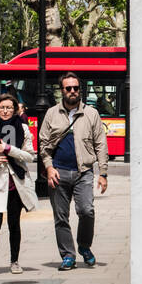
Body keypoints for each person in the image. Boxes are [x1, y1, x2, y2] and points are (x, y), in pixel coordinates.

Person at [38, 72, 108, 270]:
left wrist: (103, 173)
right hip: (58, 172)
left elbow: (101, 144)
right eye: (68, 88)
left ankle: (84, 246)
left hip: (83, 172)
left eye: (76, 88)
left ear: (80, 90)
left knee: (87, 211)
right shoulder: (52, 113)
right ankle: (68, 255)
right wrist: (49, 167)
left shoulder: (91, 113)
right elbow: (43, 143)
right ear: (62, 91)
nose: (72, 92)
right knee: (61, 217)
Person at [0, 93, 38, 276]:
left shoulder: (23, 128)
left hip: (16, 183)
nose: (5, 111)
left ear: (15, 110)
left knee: (14, 223)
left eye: (9, 108)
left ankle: (14, 261)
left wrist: (8, 149)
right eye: (2, 108)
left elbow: (30, 155)